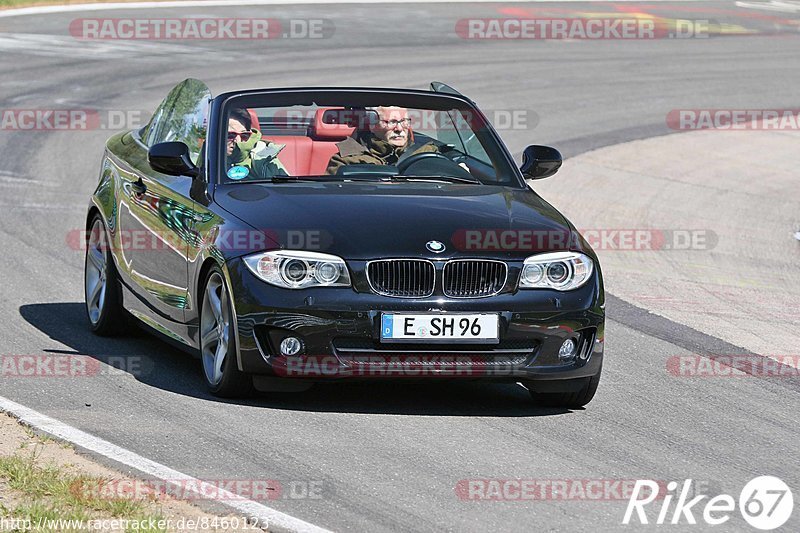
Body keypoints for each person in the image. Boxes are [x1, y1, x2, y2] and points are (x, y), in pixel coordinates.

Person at [325, 106, 439, 175]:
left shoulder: (428, 153)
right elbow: (334, 198)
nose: (399, 129)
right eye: (391, 122)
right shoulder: (346, 160)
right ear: (372, 126)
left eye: (404, 121)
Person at [226, 108, 288, 180]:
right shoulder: (211, 158)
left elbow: (285, 188)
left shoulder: (263, 157)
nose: (238, 140)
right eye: (230, 135)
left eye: (244, 135)